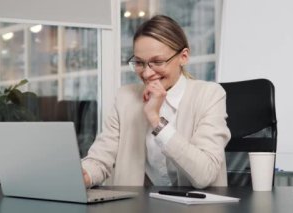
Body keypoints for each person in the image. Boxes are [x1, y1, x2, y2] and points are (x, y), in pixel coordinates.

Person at [81, 15, 230, 189]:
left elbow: (206, 174)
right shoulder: (125, 98)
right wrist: (84, 175)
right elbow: (100, 159)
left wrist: (155, 119)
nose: (146, 74)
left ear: (183, 56)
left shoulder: (210, 95)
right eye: (139, 63)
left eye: (157, 62)